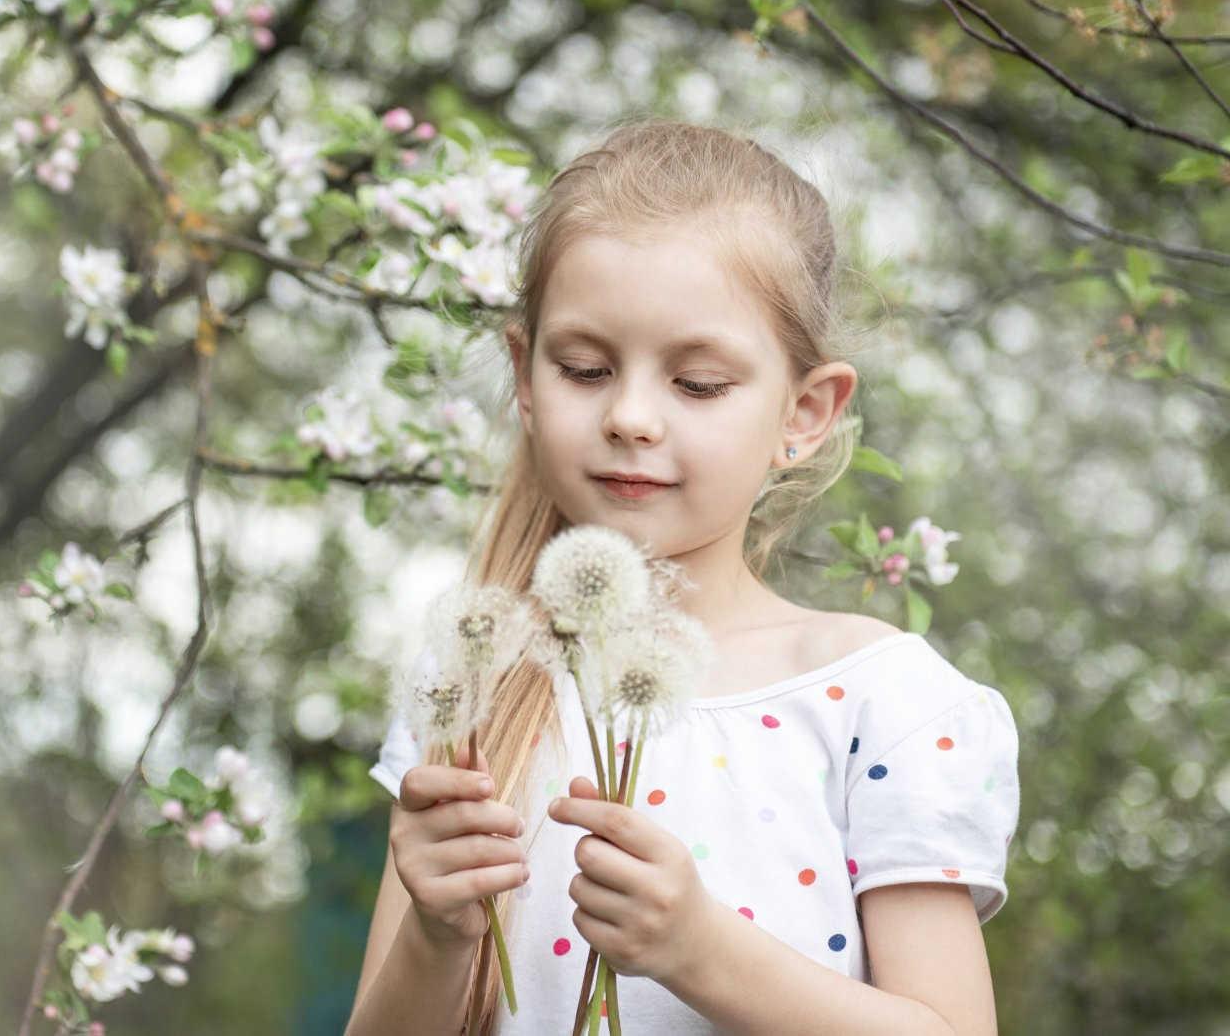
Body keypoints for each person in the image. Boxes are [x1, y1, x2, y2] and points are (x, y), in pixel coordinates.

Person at [344, 117, 1020, 1035]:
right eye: (585, 368)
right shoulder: (472, 689)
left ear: (807, 410)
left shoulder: (881, 701)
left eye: (697, 384)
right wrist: (437, 934)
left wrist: (703, 951)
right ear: (526, 375)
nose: (629, 415)